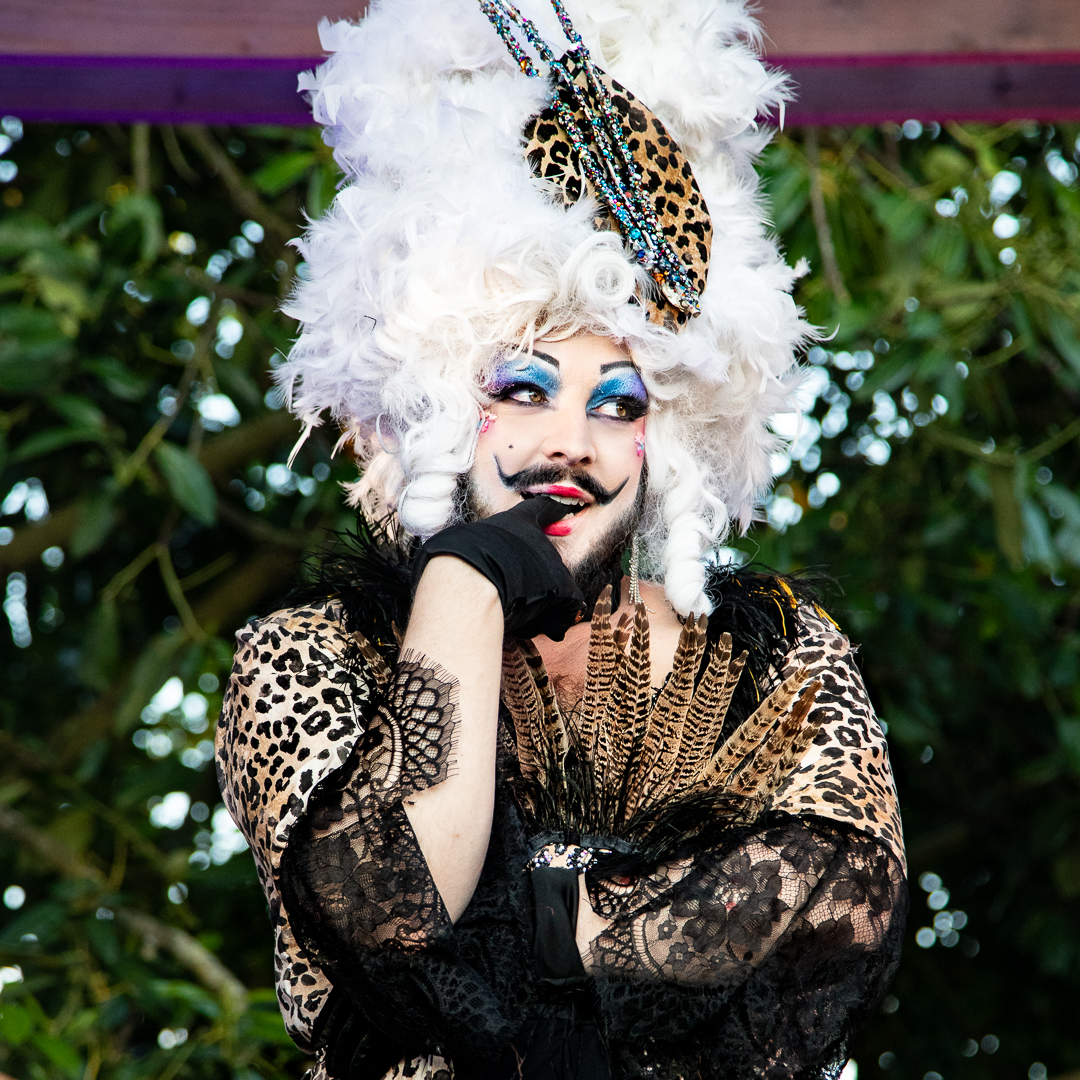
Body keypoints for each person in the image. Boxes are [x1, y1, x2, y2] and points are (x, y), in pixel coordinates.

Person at [215, 1, 908, 1078]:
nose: (569, 443)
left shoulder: (774, 663)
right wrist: (464, 583)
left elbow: (830, 917)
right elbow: (395, 917)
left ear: (668, 436)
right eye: (523, 389)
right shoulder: (308, 659)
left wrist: (524, 924)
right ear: (441, 401)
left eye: (619, 403)